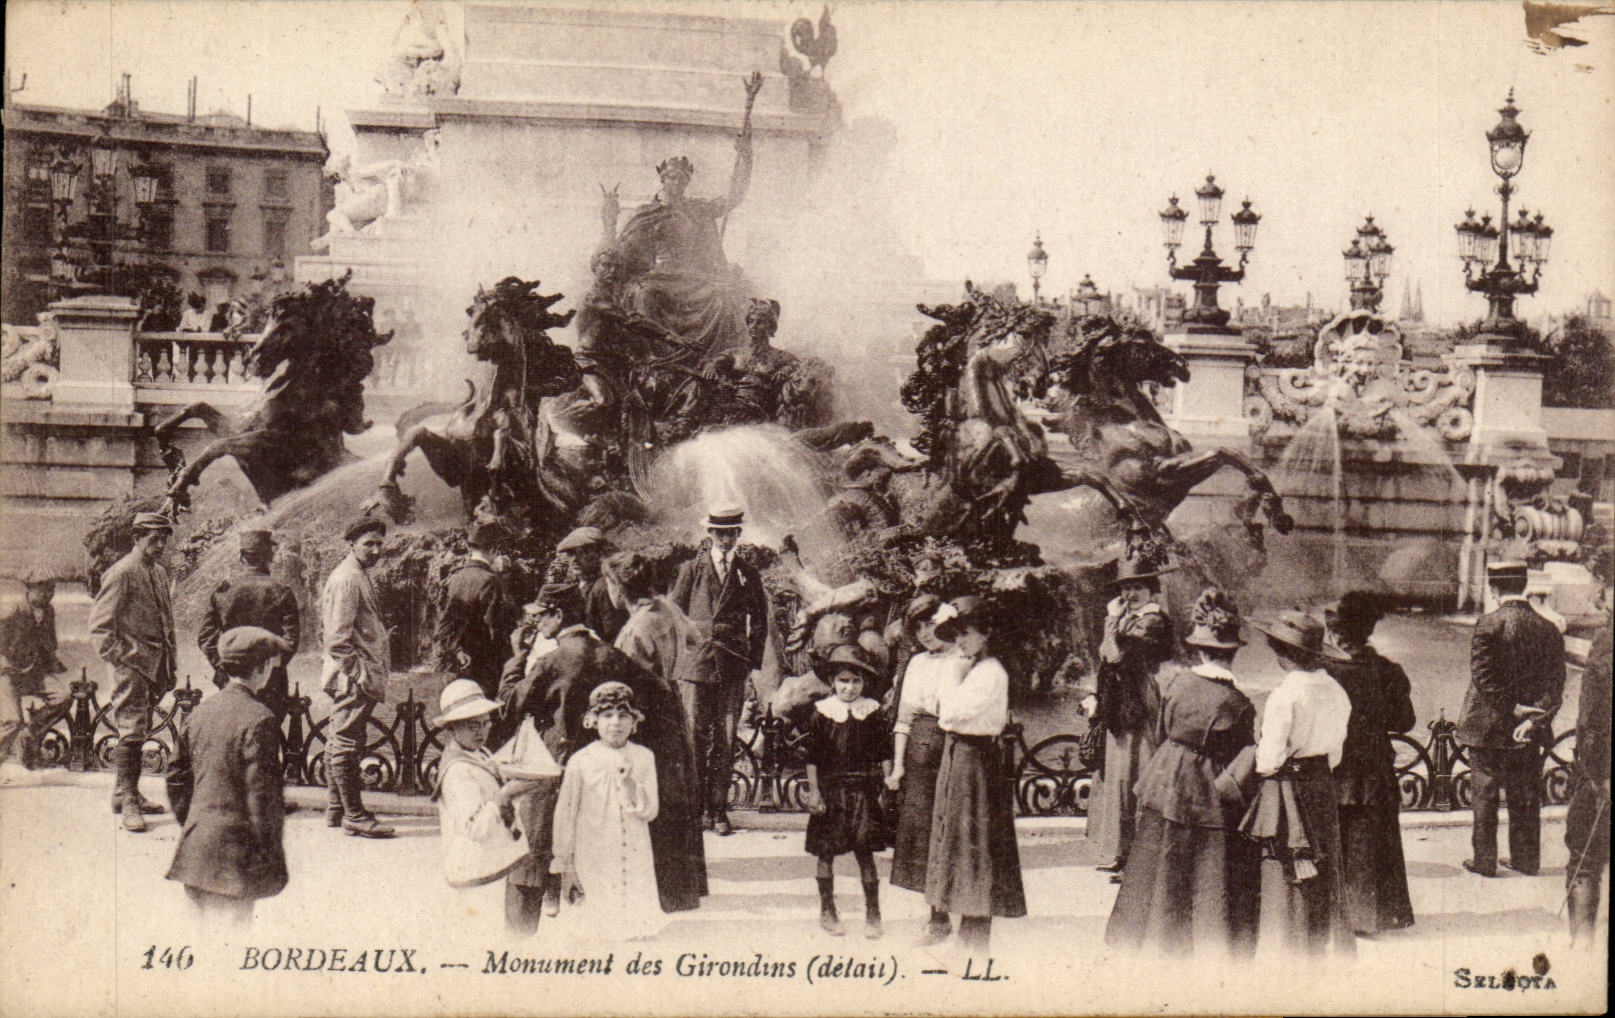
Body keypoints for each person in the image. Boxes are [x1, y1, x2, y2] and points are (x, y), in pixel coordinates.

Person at [499, 602, 706, 916]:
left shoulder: (551, 661)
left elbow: (510, 704)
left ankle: (521, 935)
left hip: (552, 771)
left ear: (559, 615)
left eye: (541, 616)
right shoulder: (613, 656)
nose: (536, 622)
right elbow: (661, 694)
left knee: (531, 861)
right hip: (600, 774)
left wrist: (517, 657)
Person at [1105, 588, 1260, 958]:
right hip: (1207, 787)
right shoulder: (1239, 703)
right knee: (1207, 864)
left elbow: (1163, 729)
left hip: (1167, 774)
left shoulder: (1177, 684)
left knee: (1156, 857)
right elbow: (1239, 755)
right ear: (1233, 653)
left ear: (1199, 651)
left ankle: (1148, 936)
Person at [1239, 609, 1355, 958]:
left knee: (1288, 862)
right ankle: (1318, 943)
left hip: (1289, 786)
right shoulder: (1337, 691)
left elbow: (1268, 761)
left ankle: (1287, 945)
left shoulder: (1285, 695)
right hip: (1321, 784)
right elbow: (1335, 753)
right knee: (1323, 861)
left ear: (1281, 653)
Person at [164, 627, 292, 929]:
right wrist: (270, 856)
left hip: (196, 854)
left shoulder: (200, 713)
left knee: (198, 941)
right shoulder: (260, 718)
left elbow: (176, 779)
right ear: (261, 668)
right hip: (235, 861)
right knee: (233, 944)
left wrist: (198, 823)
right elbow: (262, 799)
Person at [925, 597, 1026, 953]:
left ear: (986, 634)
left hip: (976, 760)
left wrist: (952, 676)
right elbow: (939, 707)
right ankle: (961, 934)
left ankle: (975, 939)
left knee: (976, 843)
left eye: (966, 634)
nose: (960, 643)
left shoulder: (991, 672)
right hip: (957, 755)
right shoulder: (969, 669)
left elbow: (949, 714)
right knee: (954, 839)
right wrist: (953, 678)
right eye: (956, 636)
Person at [1457, 560, 1566, 878]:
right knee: (1526, 795)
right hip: (1527, 728)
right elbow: (1556, 685)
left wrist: (1512, 708)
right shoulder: (1548, 628)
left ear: (1494, 589)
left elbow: (1484, 679)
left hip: (1488, 726)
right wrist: (1534, 719)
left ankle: (1485, 861)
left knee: (1485, 794)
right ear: (1524, 586)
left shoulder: (1488, 624)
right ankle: (1525, 860)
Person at [669, 505, 769, 836]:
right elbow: (674, 615)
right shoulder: (691, 570)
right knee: (694, 738)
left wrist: (752, 662)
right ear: (710, 534)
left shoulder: (747, 573)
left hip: (732, 665)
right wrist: (678, 658)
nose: (726, 540)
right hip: (696, 665)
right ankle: (696, 810)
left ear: (738, 534)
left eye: (731, 534)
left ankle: (718, 811)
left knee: (726, 739)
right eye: (720, 534)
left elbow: (760, 620)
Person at [1323, 591, 1416, 935]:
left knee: (1338, 840)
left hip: (1335, 766)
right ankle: (1378, 915)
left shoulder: (1326, 670)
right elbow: (1405, 721)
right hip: (1376, 767)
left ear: (1337, 633)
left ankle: (1334, 914)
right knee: (1376, 840)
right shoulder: (1388, 671)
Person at [884, 594, 969, 944]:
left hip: (956, 743)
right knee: (924, 835)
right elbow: (903, 720)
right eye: (917, 627)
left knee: (956, 830)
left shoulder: (964, 658)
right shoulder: (916, 663)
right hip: (919, 751)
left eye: (930, 624)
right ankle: (937, 919)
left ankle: (971, 918)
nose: (924, 633)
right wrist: (898, 767)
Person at [550, 681, 664, 941]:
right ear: (593, 721)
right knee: (596, 931)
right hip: (593, 853)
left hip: (634, 851)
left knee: (635, 932)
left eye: (623, 716)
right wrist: (565, 863)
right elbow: (566, 814)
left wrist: (630, 785)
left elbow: (651, 811)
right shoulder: (581, 761)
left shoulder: (644, 757)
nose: (616, 723)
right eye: (607, 715)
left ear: (635, 721)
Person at [1087, 556, 1176, 880]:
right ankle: (1122, 853)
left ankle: (1139, 861)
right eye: (1126, 587)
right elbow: (1106, 658)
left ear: (1151, 589)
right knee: (1119, 777)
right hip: (1121, 702)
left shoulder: (1152, 621)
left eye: (1138, 587)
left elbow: (1115, 655)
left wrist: (1111, 622)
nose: (1130, 594)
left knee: (1136, 775)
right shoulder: (1130, 618)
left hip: (1139, 703)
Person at [88, 511, 177, 832]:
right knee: (131, 730)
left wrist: (170, 665)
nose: (160, 544)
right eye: (153, 538)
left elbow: (166, 622)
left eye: (163, 539)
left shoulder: (158, 572)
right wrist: (123, 661)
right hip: (132, 666)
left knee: (140, 728)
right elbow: (100, 627)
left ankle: (124, 792)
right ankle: (129, 803)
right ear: (136, 538)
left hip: (155, 665)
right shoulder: (122, 572)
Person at [428, 679, 536, 931]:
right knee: (482, 928)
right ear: (452, 728)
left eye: (485, 723)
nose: (481, 732)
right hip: (475, 868)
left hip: (492, 861)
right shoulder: (457, 771)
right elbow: (474, 828)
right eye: (472, 726)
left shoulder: (478, 754)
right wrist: (504, 795)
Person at [804, 645, 892, 939]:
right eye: (843, 681)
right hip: (831, 791)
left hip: (863, 792)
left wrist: (887, 784)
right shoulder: (822, 712)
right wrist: (815, 793)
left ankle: (873, 913)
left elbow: (884, 752)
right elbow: (813, 758)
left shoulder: (872, 712)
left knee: (865, 852)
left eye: (856, 681)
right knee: (825, 852)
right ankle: (827, 910)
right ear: (832, 681)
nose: (850, 688)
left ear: (864, 683)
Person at [318, 518, 395, 839]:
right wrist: (361, 674)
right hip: (353, 676)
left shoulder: (356, 573)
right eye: (368, 544)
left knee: (340, 735)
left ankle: (336, 808)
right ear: (352, 544)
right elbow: (336, 640)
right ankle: (355, 815)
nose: (376, 550)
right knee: (347, 741)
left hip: (352, 674)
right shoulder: (348, 579)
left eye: (379, 543)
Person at [198, 529, 299, 724]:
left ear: (242, 557)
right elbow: (291, 642)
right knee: (267, 730)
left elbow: (205, 637)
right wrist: (270, 668)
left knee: (233, 729)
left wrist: (223, 666)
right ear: (270, 557)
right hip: (271, 683)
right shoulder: (282, 592)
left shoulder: (224, 591)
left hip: (231, 679)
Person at [1564, 579, 1611, 946]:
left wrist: (1596, 776)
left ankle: (1581, 949)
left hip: (1603, 775)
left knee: (1585, 861)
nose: (1599, 594)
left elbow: (1592, 721)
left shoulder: (1606, 644)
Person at [434, 521, 518, 699]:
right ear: (494, 549)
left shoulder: (457, 577)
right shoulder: (490, 580)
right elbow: (496, 629)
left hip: (462, 659)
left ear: (469, 547)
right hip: (486, 664)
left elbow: (445, 625)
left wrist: (457, 651)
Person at [0, 570, 67, 770]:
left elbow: (50, 641)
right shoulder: (12, 610)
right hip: (8, 674)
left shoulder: (48, 611)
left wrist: (51, 660)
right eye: (43, 590)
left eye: (52, 589)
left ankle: (30, 736)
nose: (49, 594)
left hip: (34, 673)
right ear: (29, 590)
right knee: (12, 721)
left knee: (63, 697)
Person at [608, 551, 698, 688]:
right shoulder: (667, 606)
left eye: (609, 583)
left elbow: (629, 683)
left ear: (618, 587)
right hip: (676, 692)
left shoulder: (632, 631)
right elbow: (696, 641)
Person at [558, 526, 627, 645]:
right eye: (570, 554)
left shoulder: (602, 587)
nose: (574, 560)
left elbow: (613, 634)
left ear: (598, 554)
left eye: (582, 553)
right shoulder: (579, 586)